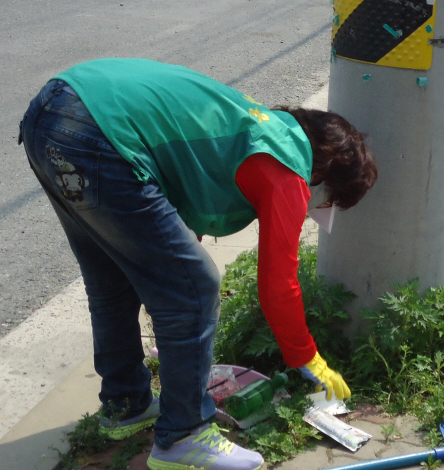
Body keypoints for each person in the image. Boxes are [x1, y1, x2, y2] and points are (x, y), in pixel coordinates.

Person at [19, 59, 378, 470]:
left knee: (112, 280)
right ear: (325, 175)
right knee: (196, 288)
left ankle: (127, 405)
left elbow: (187, 186)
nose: (320, 209)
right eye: (329, 201)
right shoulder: (287, 167)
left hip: (53, 112)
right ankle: (185, 436)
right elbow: (278, 284)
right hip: (99, 130)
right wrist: (306, 356)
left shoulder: (256, 125)